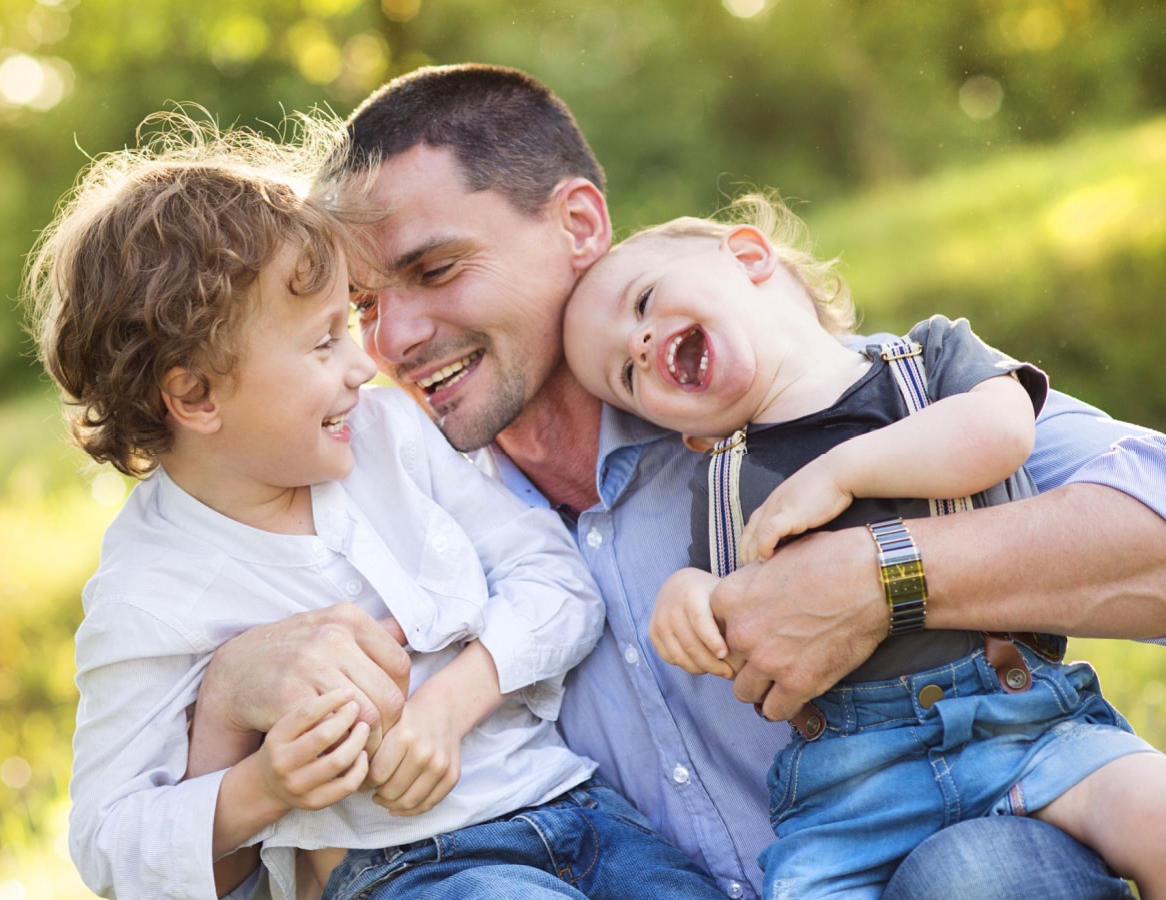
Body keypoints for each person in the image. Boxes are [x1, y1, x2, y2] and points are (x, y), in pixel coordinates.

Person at [188, 63, 1166, 900]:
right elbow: (215, 865)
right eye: (363, 306)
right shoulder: (375, 511)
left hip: (952, 848)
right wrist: (230, 701)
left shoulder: (822, 395)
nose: (395, 339)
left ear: (577, 223)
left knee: (982, 869)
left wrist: (882, 574)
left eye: (436, 269)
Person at [26, 112, 727, 900]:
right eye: (325, 341)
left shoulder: (387, 437)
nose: (367, 365)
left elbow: (555, 578)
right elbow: (108, 841)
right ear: (194, 396)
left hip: (573, 808)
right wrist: (262, 786)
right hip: (410, 868)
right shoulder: (147, 589)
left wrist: (449, 707)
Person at [560, 195, 1166, 898]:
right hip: (852, 788)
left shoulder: (926, 361)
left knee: (1152, 810)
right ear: (684, 434)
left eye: (644, 301)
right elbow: (739, 600)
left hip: (1018, 725)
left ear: (750, 257)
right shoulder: (719, 476)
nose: (638, 345)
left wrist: (845, 472)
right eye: (627, 379)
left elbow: (1002, 433)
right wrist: (687, 597)